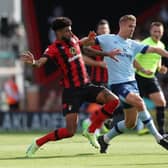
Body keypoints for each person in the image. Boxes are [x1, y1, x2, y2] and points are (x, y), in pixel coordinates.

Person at [21, 16, 121, 157]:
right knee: (69, 132)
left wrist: (88, 39)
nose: (70, 33)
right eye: (67, 31)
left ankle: (90, 128)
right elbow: (40, 63)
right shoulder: (53, 48)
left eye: (70, 30)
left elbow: (78, 43)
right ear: (59, 33)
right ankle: (38, 143)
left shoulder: (72, 38)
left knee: (114, 100)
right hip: (71, 92)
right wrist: (33, 62)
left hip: (86, 86)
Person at [83, 14, 168, 153]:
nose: (132, 29)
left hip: (132, 83)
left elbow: (155, 50)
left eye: (134, 27)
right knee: (140, 102)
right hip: (118, 85)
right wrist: (105, 53)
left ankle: (104, 139)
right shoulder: (107, 39)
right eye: (130, 26)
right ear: (121, 25)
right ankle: (159, 138)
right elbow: (85, 47)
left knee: (130, 123)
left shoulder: (132, 44)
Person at [134, 21, 167, 135]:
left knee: (161, 102)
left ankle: (162, 132)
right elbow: (134, 60)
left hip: (150, 78)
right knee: (132, 106)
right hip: (138, 77)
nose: (157, 34)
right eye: (155, 31)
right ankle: (108, 120)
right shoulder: (144, 44)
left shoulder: (161, 45)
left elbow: (157, 59)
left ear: (162, 33)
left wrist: (160, 68)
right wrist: (143, 69)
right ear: (150, 32)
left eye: (159, 32)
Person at [82, 19, 113, 136]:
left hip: (113, 80)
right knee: (104, 104)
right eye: (101, 29)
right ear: (98, 31)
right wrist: (98, 64)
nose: (104, 31)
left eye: (105, 29)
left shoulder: (113, 43)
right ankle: (93, 126)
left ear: (109, 30)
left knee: (111, 105)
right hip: (98, 80)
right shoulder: (95, 44)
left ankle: (97, 125)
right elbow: (82, 57)